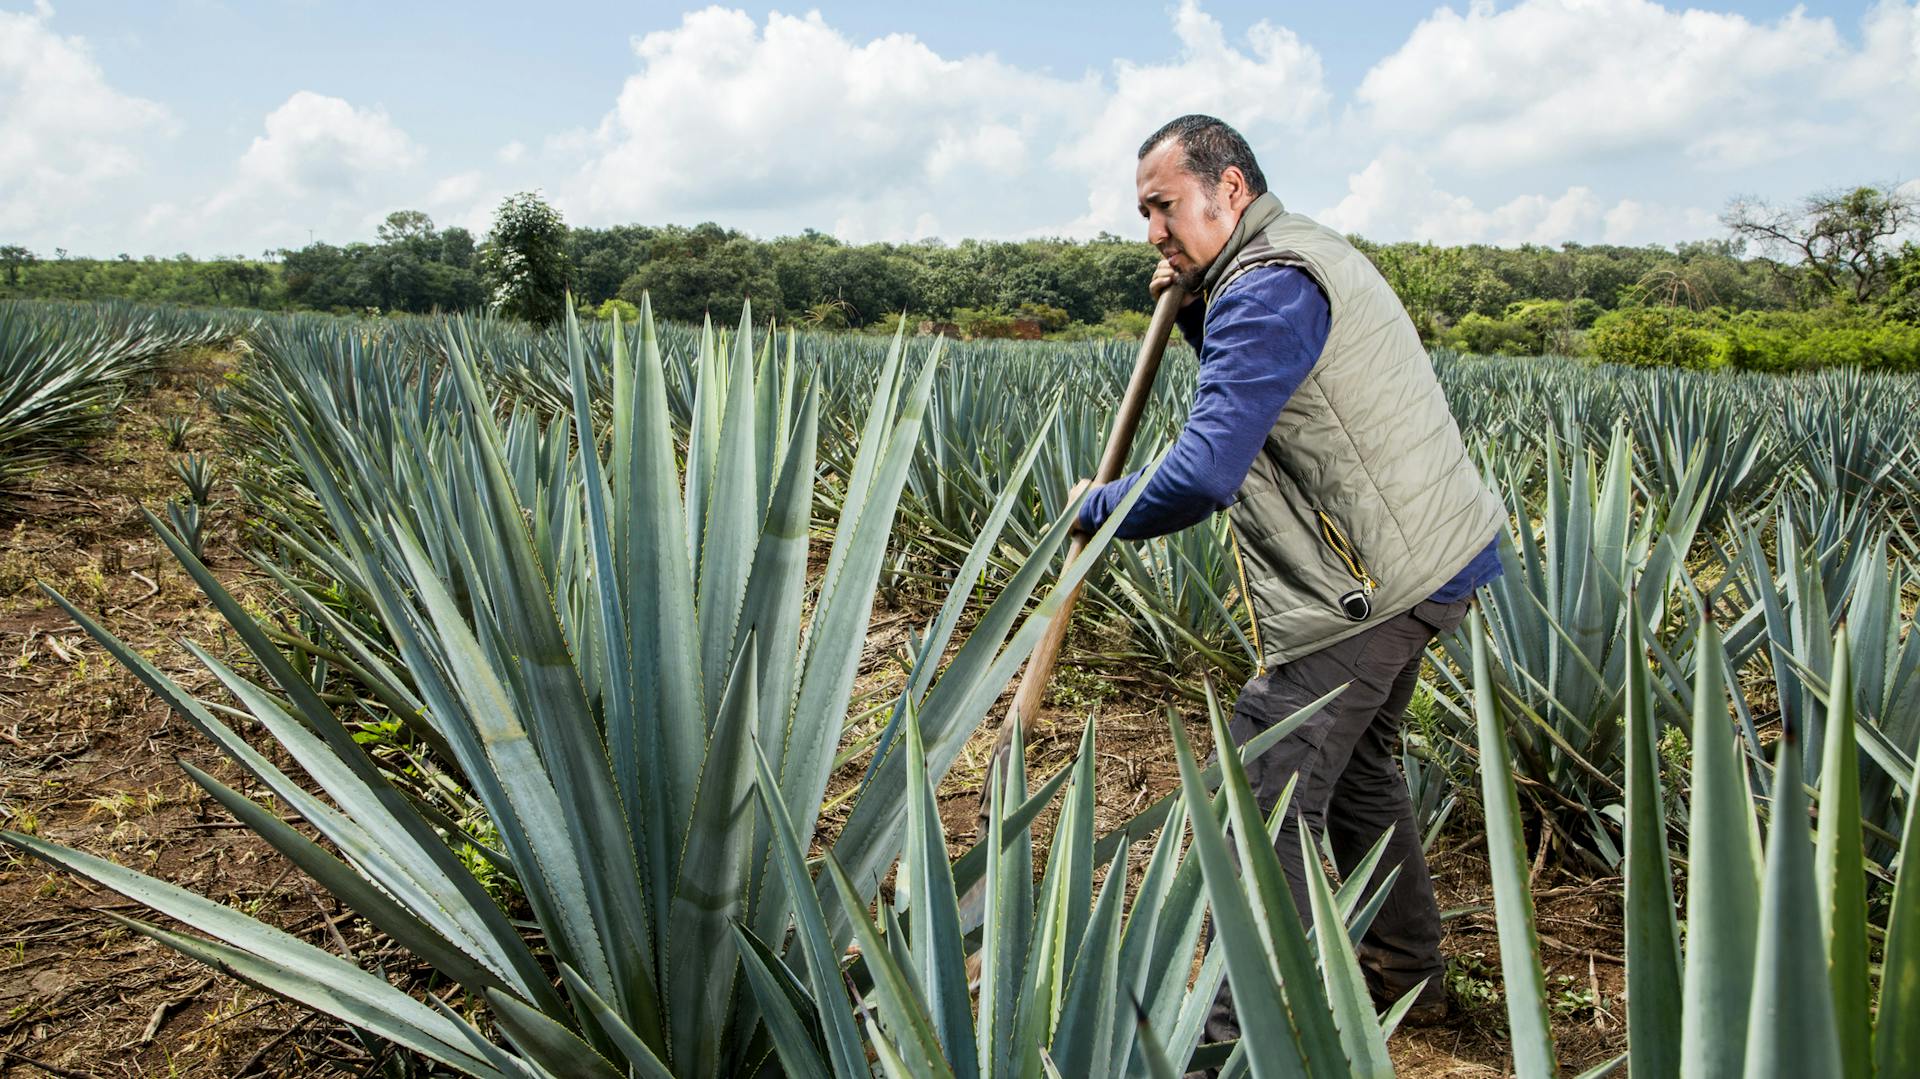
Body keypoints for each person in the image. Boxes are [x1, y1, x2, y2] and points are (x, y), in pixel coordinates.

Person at [1072, 115, 1506, 1041]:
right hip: (1432, 559)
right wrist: (1192, 303)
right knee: (1356, 779)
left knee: (1264, 792)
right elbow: (1274, 393)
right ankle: (1407, 980)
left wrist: (1098, 506)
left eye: (1164, 206)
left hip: (1370, 587)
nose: (1152, 231)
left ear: (1229, 190)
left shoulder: (1266, 289)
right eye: (1143, 213)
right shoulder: (1283, 258)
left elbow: (1203, 471)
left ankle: (1237, 1043)